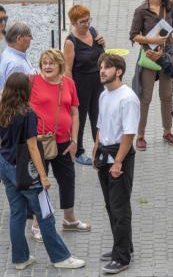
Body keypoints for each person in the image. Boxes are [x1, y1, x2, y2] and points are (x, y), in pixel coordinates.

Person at [0, 72, 85, 270]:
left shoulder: (3, 109)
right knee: (45, 214)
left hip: (6, 165)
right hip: (26, 171)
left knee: (17, 213)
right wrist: (43, 176)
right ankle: (60, 257)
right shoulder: (27, 114)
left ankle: (20, 258)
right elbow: (32, 147)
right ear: (25, 90)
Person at [30, 49, 91, 242]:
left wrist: (74, 141)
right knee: (40, 182)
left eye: (51, 63)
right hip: (39, 142)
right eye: (44, 62)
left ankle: (69, 219)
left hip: (64, 141)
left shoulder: (68, 83)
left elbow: (75, 113)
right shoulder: (32, 81)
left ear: (60, 65)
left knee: (67, 180)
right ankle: (36, 223)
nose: (47, 66)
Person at [92, 54, 140, 274]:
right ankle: (123, 246)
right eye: (101, 67)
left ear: (118, 71)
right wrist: (95, 149)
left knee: (120, 208)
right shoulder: (104, 95)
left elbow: (129, 134)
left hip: (119, 158)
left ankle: (121, 258)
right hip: (104, 155)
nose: (102, 71)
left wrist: (118, 162)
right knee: (111, 205)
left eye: (107, 68)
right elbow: (101, 126)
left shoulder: (128, 98)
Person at [129, 0, 173, 151]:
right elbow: (134, 35)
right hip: (149, 57)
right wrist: (152, 39)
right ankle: (140, 135)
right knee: (145, 97)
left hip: (166, 57)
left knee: (166, 96)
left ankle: (167, 131)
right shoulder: (141, 10)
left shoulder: (169, 7)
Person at [64, 4, 105, 165]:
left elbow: (101, 55)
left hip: (97, 81)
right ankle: (78, 151)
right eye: (83, 22)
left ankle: (100, 148)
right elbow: (67, 70)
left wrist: (103, 43)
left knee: (98, 115)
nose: (87, 24)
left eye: (89, 20)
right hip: (80, 84)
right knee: (79, 118)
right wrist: (71, 92)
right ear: (74, 23)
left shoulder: (93, 32)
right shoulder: (71, 41)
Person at [0, 22, 36, 89]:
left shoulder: (9, 52)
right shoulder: (16, 65)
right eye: (29, 36)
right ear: (19, 39)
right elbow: (16, 95)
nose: (31, 39)